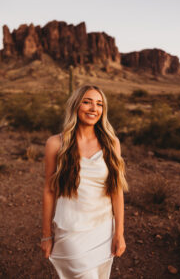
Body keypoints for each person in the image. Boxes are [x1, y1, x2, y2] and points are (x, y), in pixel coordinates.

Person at [41, 85, 128, 279]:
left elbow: (116, 190)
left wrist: (119, 233)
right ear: (75, 105)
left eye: (99, 104)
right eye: (87, 102)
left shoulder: (111, 143)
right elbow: (49, 190)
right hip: (70, 229)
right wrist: (46, 235)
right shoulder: (56, 143)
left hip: (102, 229)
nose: (93, 108)